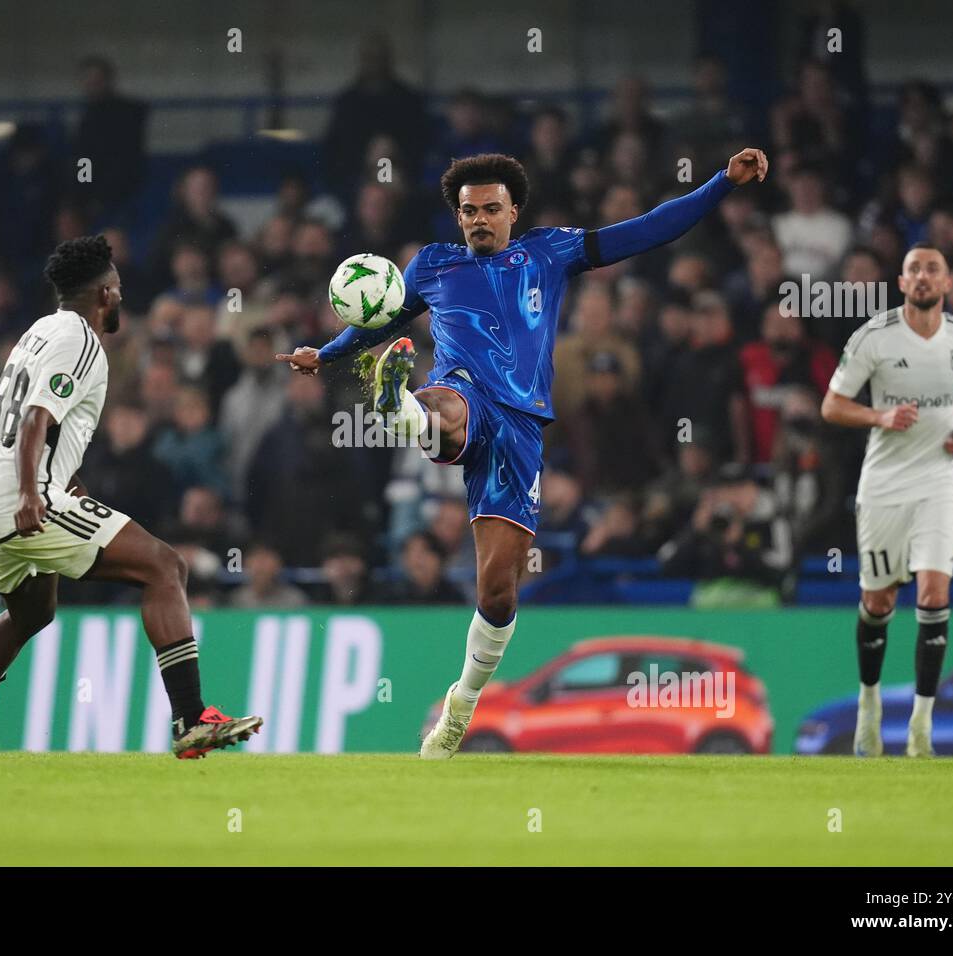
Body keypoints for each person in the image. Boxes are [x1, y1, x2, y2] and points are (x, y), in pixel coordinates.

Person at [279, 147, 768, 758]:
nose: (478, 219)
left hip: (523, 427)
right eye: (467, 211)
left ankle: (462, 702)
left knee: (498, 592)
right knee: (448, 411)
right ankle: (399, 407)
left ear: (514, 211)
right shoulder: (432, 265)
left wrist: (722, 182)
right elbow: (378, 317)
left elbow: (645, 231)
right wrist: (326, 354)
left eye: (489, 208)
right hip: (462, 391)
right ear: (457, 217)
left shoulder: (549, 252)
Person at [0, 235, 259, 759]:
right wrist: (35, 493)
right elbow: (38, 417)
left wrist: (61, 485)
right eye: (119, 288)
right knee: (165, 567)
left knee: (31, 613)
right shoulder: (79, 338)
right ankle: (192, 719)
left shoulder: (40, 331)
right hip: (20, 494)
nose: (121, 297)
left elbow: (33, 424)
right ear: (105, 292)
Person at [821, 242, 953, 757]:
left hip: (941, 480)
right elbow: (832, 404)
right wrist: (879, 417)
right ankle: (869, 706)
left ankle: (921, 724)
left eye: (933, 270)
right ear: (901, 283)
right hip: (884, 485)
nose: (922, 277)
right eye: (914, 269)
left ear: (947, 284)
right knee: (879, 601)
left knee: (934, 595)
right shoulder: (874, 338)